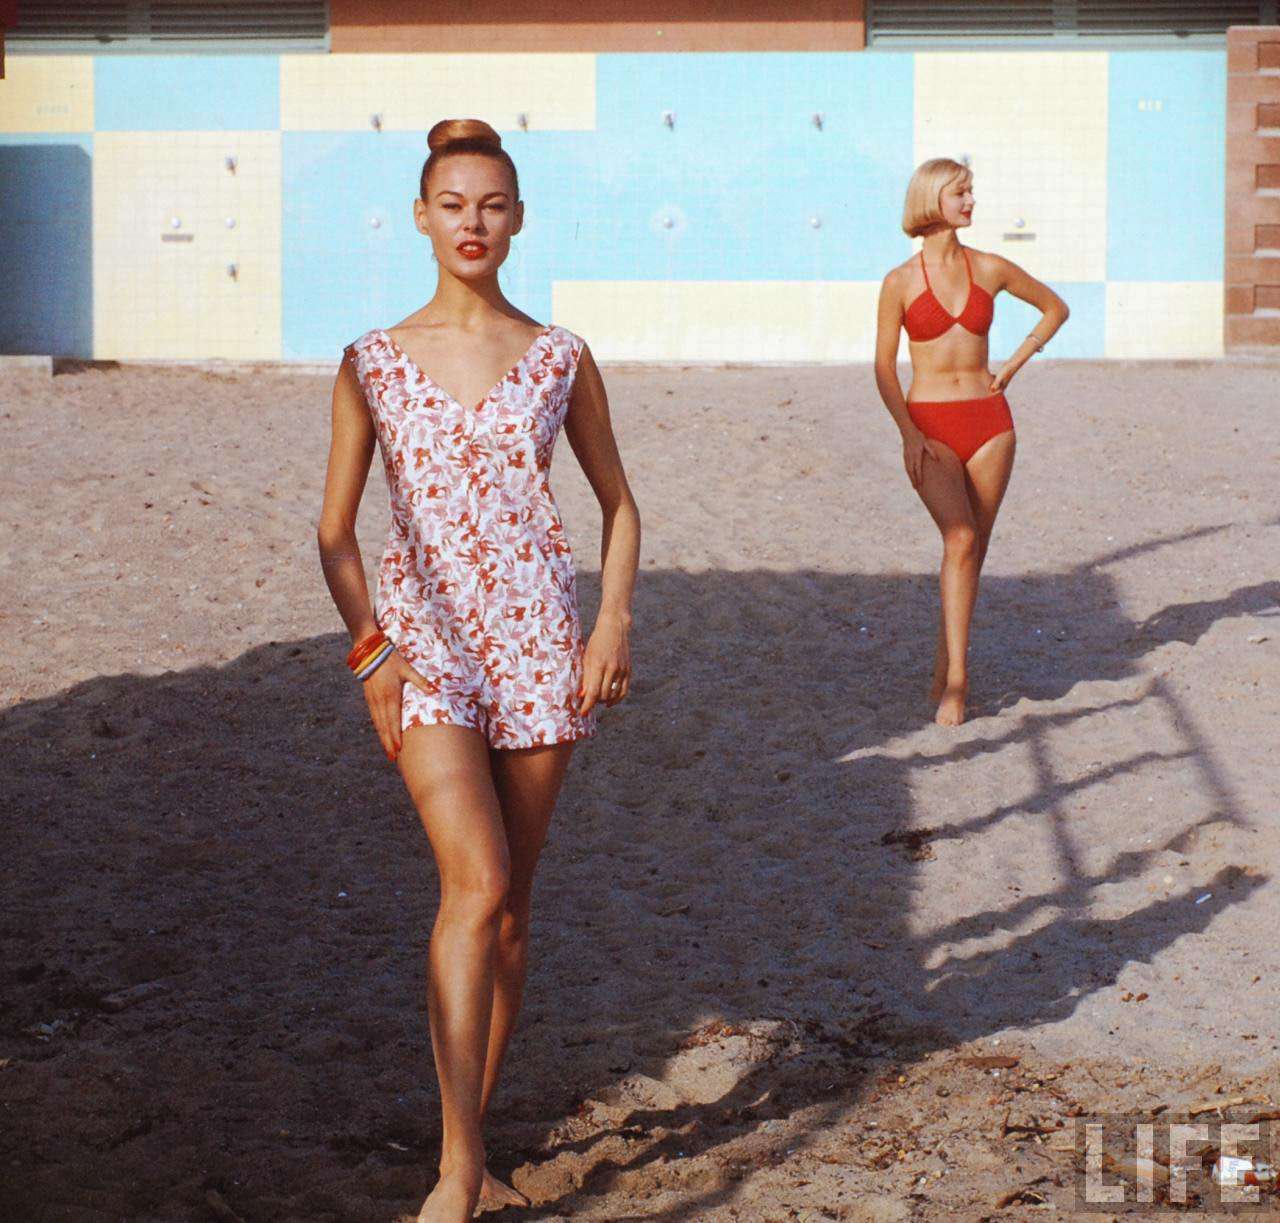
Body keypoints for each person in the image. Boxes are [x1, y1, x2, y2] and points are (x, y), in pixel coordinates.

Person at [316, 118, 641, 1222]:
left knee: (512, 913)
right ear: (420, 216)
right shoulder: (370, 359)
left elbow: (619, 503)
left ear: (517, 218)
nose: (473, 222)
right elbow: (334, 533)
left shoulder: (559, 353)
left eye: (492, 204)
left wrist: (610, 624)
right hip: (426, 653)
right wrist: (373, 655)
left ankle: (474, 1144)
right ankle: (456, 1171)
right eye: (453, 204)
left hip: (542, 646)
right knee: (478, 884)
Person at [874, 157, 1069, 725]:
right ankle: (957, 681)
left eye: (971, 192)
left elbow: (1055, 306)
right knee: (958, 537)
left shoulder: (989, 267)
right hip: (930, 425)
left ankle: (946, 673)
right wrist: (908, 434)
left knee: (971, 550)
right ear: (933, 199)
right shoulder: (900, 282)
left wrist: (1013, 363)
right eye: (961, 193)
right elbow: (885, 368)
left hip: (991, 424)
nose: (971, 202)